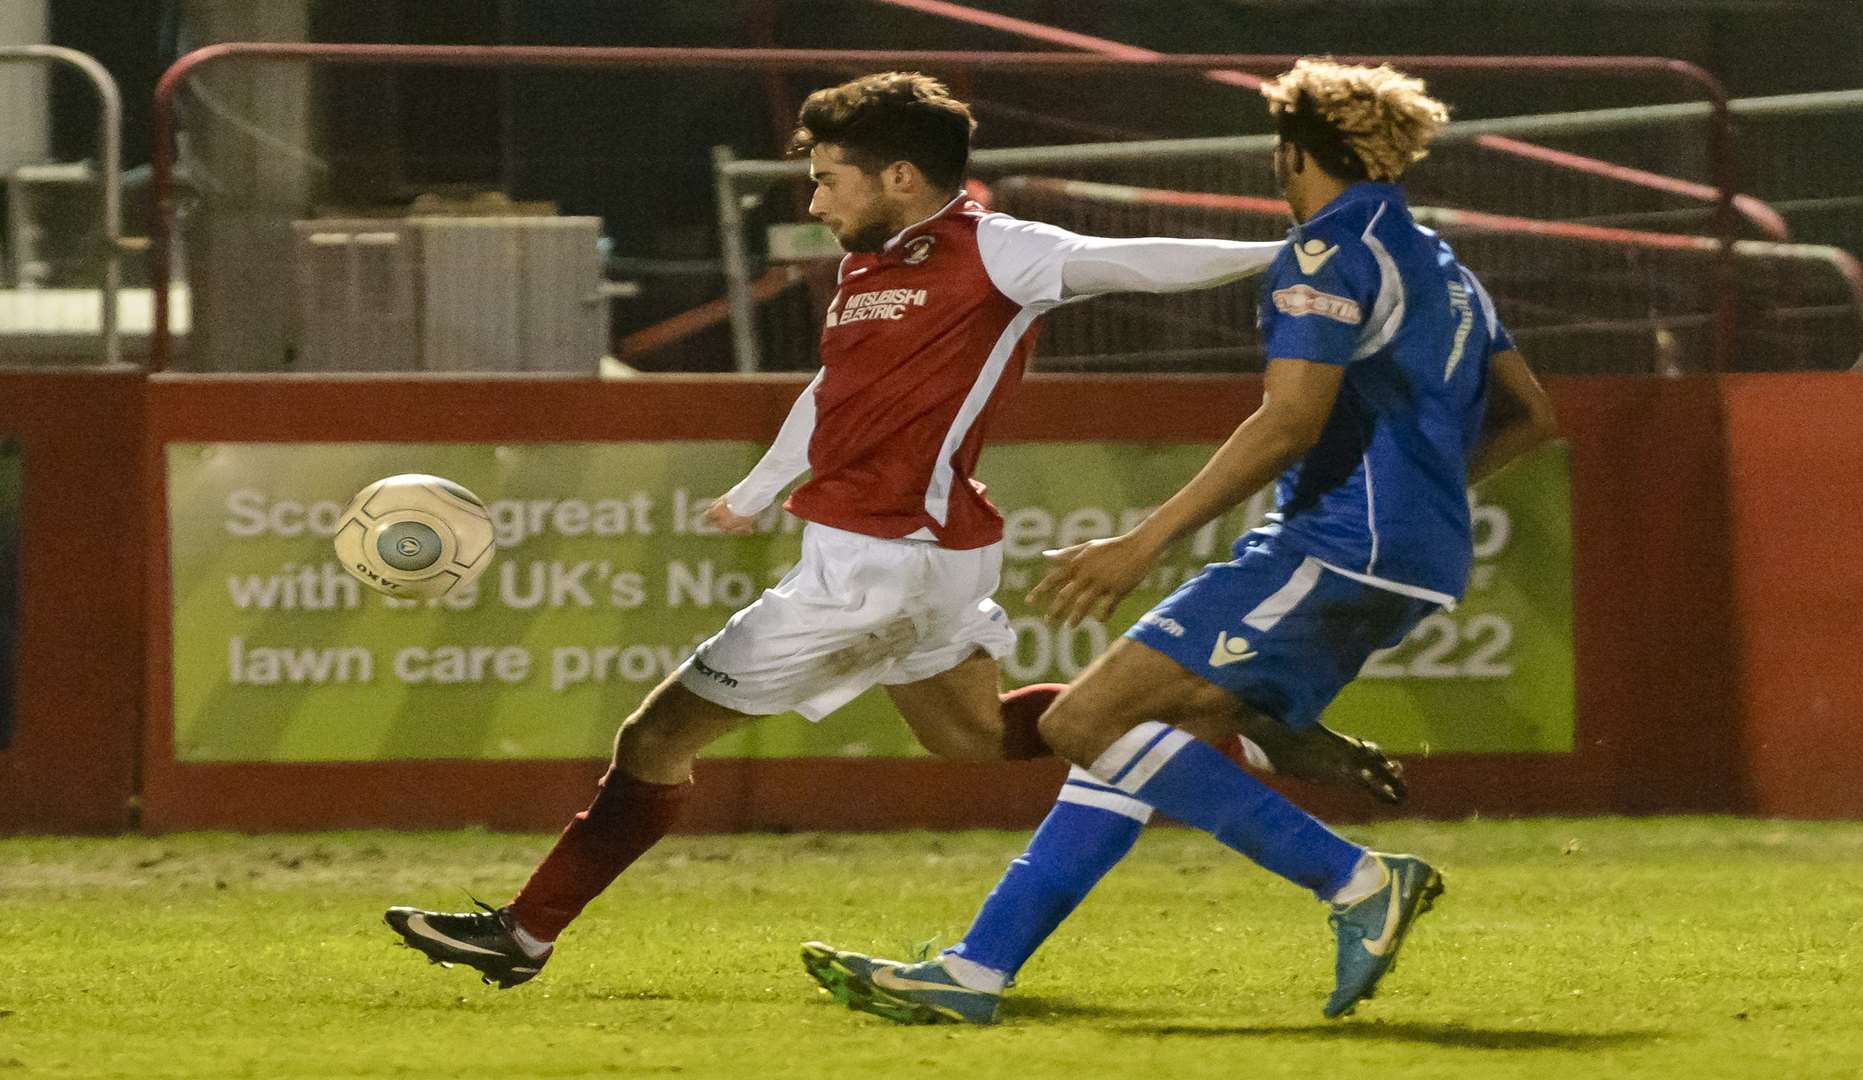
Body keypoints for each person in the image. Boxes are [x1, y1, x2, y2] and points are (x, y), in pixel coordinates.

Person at [383, 71, 1394, 989]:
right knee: (978, 736)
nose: (815, 200)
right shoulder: (868, 270)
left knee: (656, 737)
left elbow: (1125, 263)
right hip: (929, 562)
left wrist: (1288, 251)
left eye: (830, 180)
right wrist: (760, 487)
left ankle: (524, 935)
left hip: (879, 564)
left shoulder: (990, 246)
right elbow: (832, 396)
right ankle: (1223, 722)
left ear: (902, 176)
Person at [800, 58, 1560, 1024]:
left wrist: (1143, 541)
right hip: (1407, 556)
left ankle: (1358, 881)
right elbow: (1534, 418)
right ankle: (976, 971)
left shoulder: (1325, 255)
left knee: (1084, 721)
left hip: (1333, 547)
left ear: (1290, 152)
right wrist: (1421, 503)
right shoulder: (1440, 263)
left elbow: (1286, 421)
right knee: (1150, 737)